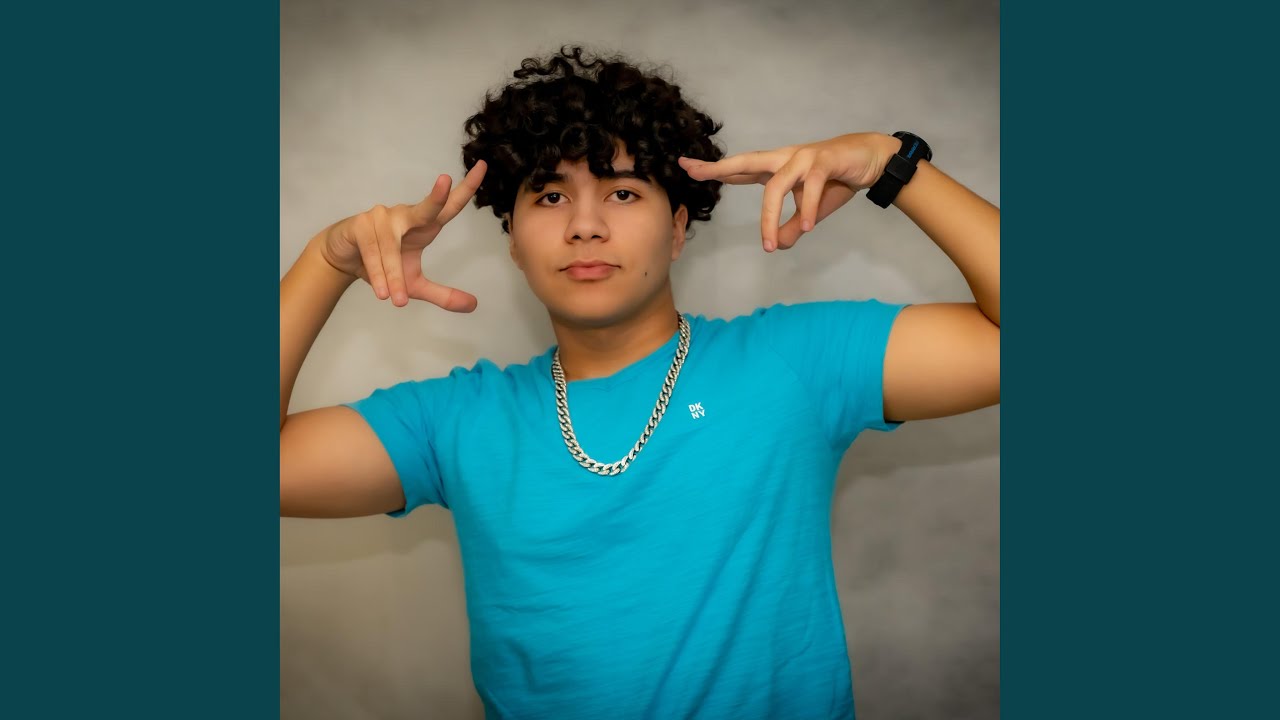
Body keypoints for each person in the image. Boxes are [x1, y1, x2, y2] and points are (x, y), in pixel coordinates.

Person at [280, 45, 998, 719]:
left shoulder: (795, 364)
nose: (585, 226)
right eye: (549, 196)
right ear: (513, 241)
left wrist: (890, 164)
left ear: (679, 228)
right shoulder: (456, 420)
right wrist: (326, 262)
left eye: (623, 193)